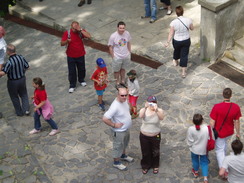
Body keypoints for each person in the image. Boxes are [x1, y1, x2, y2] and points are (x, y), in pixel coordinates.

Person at [102, 87, 134, 171]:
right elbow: (105, 118)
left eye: (125, 95)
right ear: (118, 95)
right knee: (117, 146)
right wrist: (113, 124)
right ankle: (116, 162)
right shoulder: (115, 106)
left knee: (124, 143)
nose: (124, 97)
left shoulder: (124, 100)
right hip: (119, 131)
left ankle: (123, 155)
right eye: (122, 95)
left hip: (125, 129)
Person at [210, 88, 242, 169]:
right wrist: (238, 133)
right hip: (229, 132)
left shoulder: (216, 107)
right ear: (231, 96)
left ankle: (224, 170)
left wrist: (211, 132)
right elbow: (237, 121)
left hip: (220, 133)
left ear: (222, 95)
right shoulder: (236, 107)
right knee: (223, 145)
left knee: (219, 150)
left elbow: (212, 123)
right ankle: (224, 159)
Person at [61, 21, 91, 93]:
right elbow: (62, 43)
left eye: (76, 27)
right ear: (71, 27)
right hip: (71, 55)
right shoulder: (67, 33)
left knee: (82, 68)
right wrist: (67, 41)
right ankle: (72, 85)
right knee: (72, 71)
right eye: (74, 28)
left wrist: (80, 30)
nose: (75, 29)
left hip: (80, 54)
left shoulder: (80, 31)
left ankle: (81, 80)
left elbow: (89, 36)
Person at [0, 44, 30, 116]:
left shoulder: (9, 62)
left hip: (13, 82)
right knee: (24, 94)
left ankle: (19, 112)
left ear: (8, 52)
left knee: (14, 97)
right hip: (22, 79)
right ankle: (26, 110)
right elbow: (27, 67)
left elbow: (3, 73)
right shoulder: (21, 57)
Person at [165, 6, 194, 78]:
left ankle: (175, 60)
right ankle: (183, 72)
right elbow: (192, 28)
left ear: (176, 13)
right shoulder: (188, 20)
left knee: (177, 50)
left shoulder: (173, 22)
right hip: (186, 40)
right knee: (184, 55)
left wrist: (168, 42)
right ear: (183, 12)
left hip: (177, 40)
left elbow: (171, 33)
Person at [139, 96, 164, 174]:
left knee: (155, 151)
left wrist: (156, 110)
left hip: (155, 135)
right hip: (144, 135)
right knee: (145, 151)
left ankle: (155, 165)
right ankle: (145, 165)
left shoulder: (159, 110)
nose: (152, 104)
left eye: (154, 102)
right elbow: (141, 116)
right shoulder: (143, 110)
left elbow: (161, 118)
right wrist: (145, 107)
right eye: (150, 102)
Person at [187, 114, 210, 183]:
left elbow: (190, 140)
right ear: (202, 121)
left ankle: (196, 172)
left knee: (195, 160)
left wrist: (190, 146)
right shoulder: (207, 128)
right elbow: (209, 138)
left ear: (193, 121)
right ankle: (205, 178)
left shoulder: (191, 129)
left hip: (194, 149)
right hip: (204, 149)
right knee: (204, 162)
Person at [108, 21, 131, 87]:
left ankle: (123, 80)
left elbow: (129, 42)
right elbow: (110, 47)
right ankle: (117, 82)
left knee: (123, 69)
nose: (122, 30)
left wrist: (129, 52)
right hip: (117, 57)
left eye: (123, 28)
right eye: (120, 28)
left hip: (126, 55)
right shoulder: (113, 36)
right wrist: (113, 57)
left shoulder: (127, 33)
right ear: (117, 28)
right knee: (116, 71)